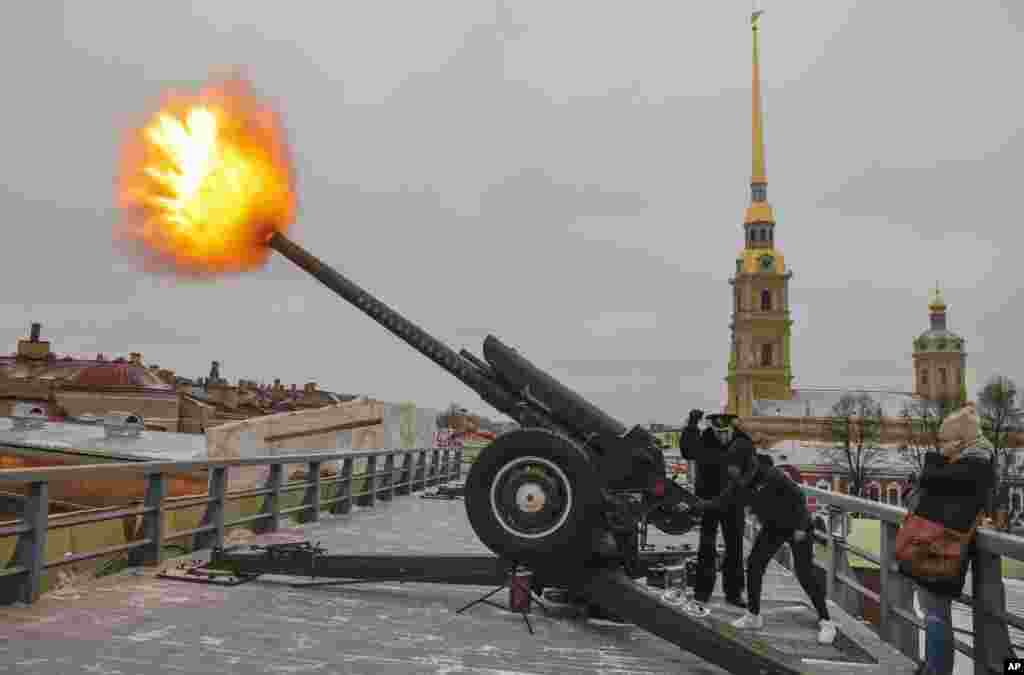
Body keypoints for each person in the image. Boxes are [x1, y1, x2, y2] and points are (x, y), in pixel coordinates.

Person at [697, 447, 837, 645]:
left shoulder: (772, 475)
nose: (731, 472)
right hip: (773, 527)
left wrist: (800, 527)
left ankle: (826, 621)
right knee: (754, 564)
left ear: (744, 465)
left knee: (805, 574)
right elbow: (721, 501)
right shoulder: (740, 483)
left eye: (734, 468)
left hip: (798, 526)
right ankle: (753, 616)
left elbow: (799, 497)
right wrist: (697, 504)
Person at [910, 402, 994, 675]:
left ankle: (938, 670)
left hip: (944, 547)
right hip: (938, 543)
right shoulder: (969, 464)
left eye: (944, 440)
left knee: (935, 615)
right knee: (933, 613)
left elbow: (929, 481)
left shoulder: (973, 466)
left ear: (959, 440)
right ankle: (934, 667)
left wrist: (936, 459)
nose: (939, 446)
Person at [678, 410, 755, 608]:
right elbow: (687, 451)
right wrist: (691, 425)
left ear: (731, 428)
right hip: (708, 501)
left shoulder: (744, 442)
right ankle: (702, 592)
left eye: (724, 433)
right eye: (717, 432)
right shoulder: (704, 439)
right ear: (711, 427)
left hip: (733, 503)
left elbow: (751, 471)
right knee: (706, 547)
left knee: (735, 548)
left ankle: (734, 593)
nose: (721, 437)